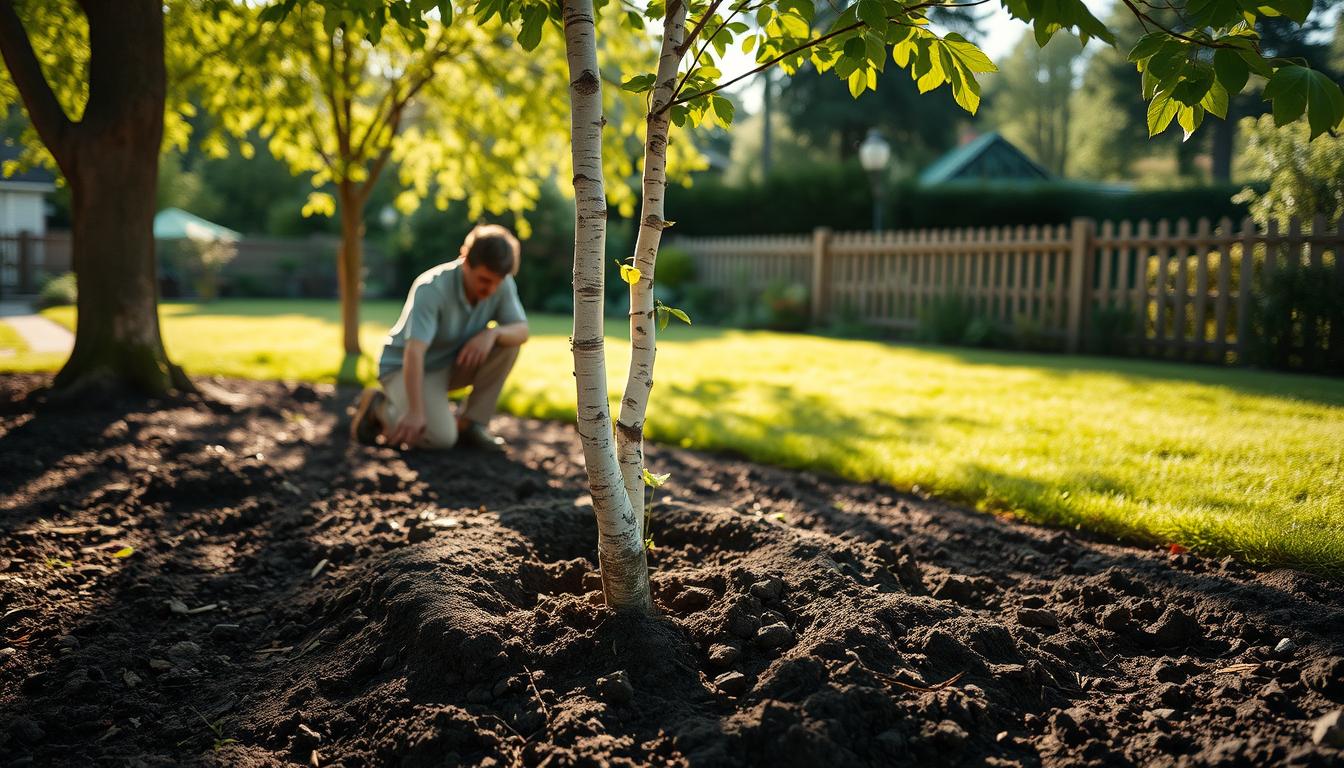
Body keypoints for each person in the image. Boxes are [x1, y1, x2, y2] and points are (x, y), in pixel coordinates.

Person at [350, 223, 529, 452]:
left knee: (508, 344)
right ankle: (379, 408)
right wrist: (415, 412)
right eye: (484, 280)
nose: (491, 289)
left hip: (449, 364)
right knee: (440, 439)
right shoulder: (431, 288)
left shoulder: (501, 283)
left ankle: (471, 425)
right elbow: (414, 352)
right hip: (404, 368)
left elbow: (522, 331)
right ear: (465, 261)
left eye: (497, 282)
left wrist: (492, 333)